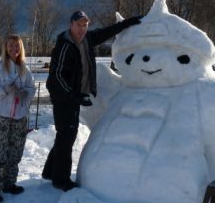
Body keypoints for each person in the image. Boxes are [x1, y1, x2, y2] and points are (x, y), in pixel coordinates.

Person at [42, 10, 142, 191]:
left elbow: (108, 31)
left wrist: (129, 22)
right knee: (67, 136)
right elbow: (57, 76)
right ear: (71, 25)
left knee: (64, 134)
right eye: (79, 25)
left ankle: (50, 171)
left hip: (74, 96)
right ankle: (61, 180)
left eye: (85, 25)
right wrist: (74, 95)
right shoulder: (65, 45)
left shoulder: (87, 39)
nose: (82, 28)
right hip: (63, 98)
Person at [0, 34, 36, 203]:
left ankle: (9, 183)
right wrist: (5, 90)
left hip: (19, 117)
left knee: (15, 152)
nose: (14, 49)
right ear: (6, 48)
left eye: (17, 46)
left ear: (21, 49)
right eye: (11, 46)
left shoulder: (24, 70)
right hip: (1, 117)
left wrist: (24, 92)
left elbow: (31, 88)